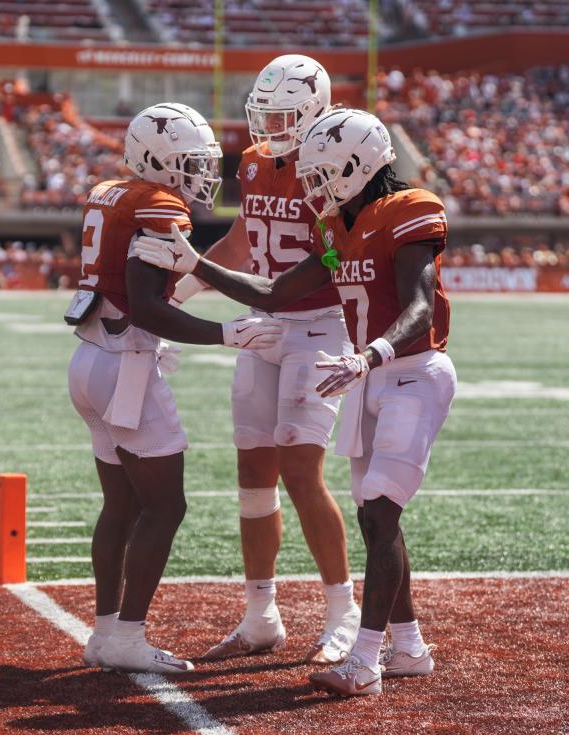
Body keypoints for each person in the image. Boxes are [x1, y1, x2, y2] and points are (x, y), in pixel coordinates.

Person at [135, 108, 456, 696]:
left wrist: (372, 353)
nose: (311, 188)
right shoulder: (337, 232)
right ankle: (407, 644)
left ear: (356, 165)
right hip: (361, 370)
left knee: (373, 507)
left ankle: (361, 650)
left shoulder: (409, 211)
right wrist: (194, 269)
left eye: (322, 174)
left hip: (395, 366)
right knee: (371, 511)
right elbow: (278, 289)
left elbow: (418, 305)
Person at [65, 103, 282, 674]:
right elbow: (148, 309)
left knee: (121, 504)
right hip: (126, 365)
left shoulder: (111, 192)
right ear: (158, 159)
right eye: (190, 162)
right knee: (166, 505)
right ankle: (129, 636)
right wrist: (227, 333)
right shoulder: (158, 205)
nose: (201, 173)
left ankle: (106, 633)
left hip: (89, 359)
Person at [166, 54, 360, 664]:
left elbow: (339, 255)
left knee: (302, 471)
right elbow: (245, 238)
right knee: (253, 475)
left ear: (313, 111)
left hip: (319, 324)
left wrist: (271, 298)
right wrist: (184, 287)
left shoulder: (331, 161)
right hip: (267, 320)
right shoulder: (252, 161)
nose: (269, 125)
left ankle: (342, 612)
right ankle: (260, 615)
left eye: (283, 113)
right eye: (265, 112)